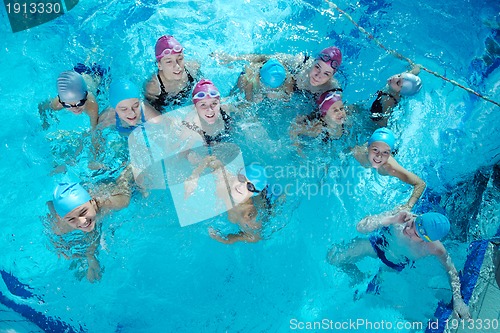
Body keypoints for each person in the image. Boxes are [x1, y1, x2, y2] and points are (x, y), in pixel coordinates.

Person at [326, 210, 471, 319]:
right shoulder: (401, 217)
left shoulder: (434, 248)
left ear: (427, 240)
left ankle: (369, 281)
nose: (407, 230)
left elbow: (451, 271)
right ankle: (358, 276)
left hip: (394, 264)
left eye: (416, 234)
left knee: (375, 297)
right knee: (334, 258)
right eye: (412, 224)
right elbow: (361, 226)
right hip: (377, 245)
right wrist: (390, 219)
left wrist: (458, 300)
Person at [46, 169, 132, 282]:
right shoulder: (60, 226)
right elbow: (49, 204)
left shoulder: (115, 202)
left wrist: (133, 180)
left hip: (109, 183)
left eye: (83, 212)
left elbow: (125, 178)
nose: (81, 221)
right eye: (71, 219)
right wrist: (58, 243)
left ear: (92, 202)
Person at [212, 46, 343, 99]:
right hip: (279, 84)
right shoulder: (301, 63)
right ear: (313, 62)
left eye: (326, 74)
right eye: (317, 67)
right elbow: (266, 58)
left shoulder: (331, 90)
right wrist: (234, 58)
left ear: (332, 76)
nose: (318, 76)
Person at [353, 127, 426, 211]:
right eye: (375, 150)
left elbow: (420, 184)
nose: (378, 156)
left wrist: (408, 206)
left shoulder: (390, 167)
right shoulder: (359, 154)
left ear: (389, 154)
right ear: (368, 148)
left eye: (385, 152)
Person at [145, 35, 200, 112]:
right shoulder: (154, 87)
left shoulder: (191, 69)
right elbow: (149, 109)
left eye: (180, 59)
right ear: (159, 65)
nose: (177, 66)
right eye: (169, 61)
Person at [180, 79, 234, 147]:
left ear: (219, 103)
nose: (210, 109)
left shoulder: (225, 109)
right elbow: (182, 153)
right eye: (203, 105)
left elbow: (242, 107)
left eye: (214, 103)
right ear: (195, 107)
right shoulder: (190, 128)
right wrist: (195, 157)